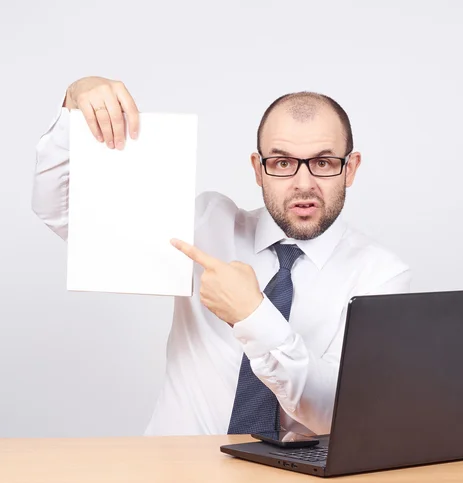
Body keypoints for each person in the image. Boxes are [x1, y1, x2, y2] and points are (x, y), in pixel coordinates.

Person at [32, 76, 411, 437]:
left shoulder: (381, 276)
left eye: (323, 163)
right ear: (258, 170)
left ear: (351, 168)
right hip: (172, 470)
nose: (303, 184)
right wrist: (76, 104)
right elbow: (67, 214)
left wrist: (254, 316)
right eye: (282, 163)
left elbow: (338, 412)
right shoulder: (207, 225)